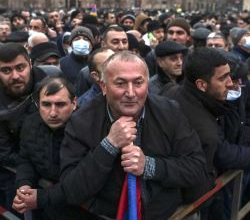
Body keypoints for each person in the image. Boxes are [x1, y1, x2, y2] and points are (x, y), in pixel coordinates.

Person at [60, 52, 208, 219]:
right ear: (103, 86)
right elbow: (71, 191)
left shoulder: (169, 112)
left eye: (138, 83)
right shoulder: (81, 122)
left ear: (147, 83)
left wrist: (150, 166)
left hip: (164, 214)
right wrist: (108, 146)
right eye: (120, 83)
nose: (131, 93)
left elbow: (197, 168)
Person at [161, 47, 250, 219]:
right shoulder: (205, 131)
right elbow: (197, 182)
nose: (231, 83)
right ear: (202, 85)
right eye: (223, 78)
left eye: (230, 76)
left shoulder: (177, 91)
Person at [12, 77, 77, 220]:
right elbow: (26, 159)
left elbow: (81, 180)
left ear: (74, 103)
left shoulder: (85, 130)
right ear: (37, 104)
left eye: (60, 104)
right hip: (45, 208)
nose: (53, 113)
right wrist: (24, 185)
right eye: (46, 104)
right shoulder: (30, 124)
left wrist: (40, 198)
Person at [0, 43, 47, 212]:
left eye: (20, 68)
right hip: (14, 172)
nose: (15, 76)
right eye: (6, 70)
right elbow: (5, 153)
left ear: (30, 64)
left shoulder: (49, 81)